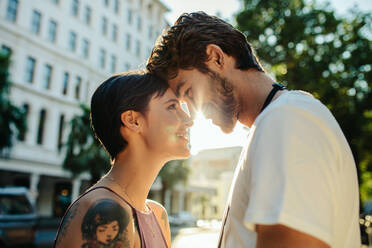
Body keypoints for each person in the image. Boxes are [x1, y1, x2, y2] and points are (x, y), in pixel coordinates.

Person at [146, 11, 361, 248]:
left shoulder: (286, 119)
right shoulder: (275, 122)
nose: (192, 113)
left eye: (188, 92)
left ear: (216, 58)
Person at [54, 71, 193, 248]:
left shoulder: (159, 215)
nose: (189, 120)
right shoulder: (105, 211)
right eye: (172, 107)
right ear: (133, 120)